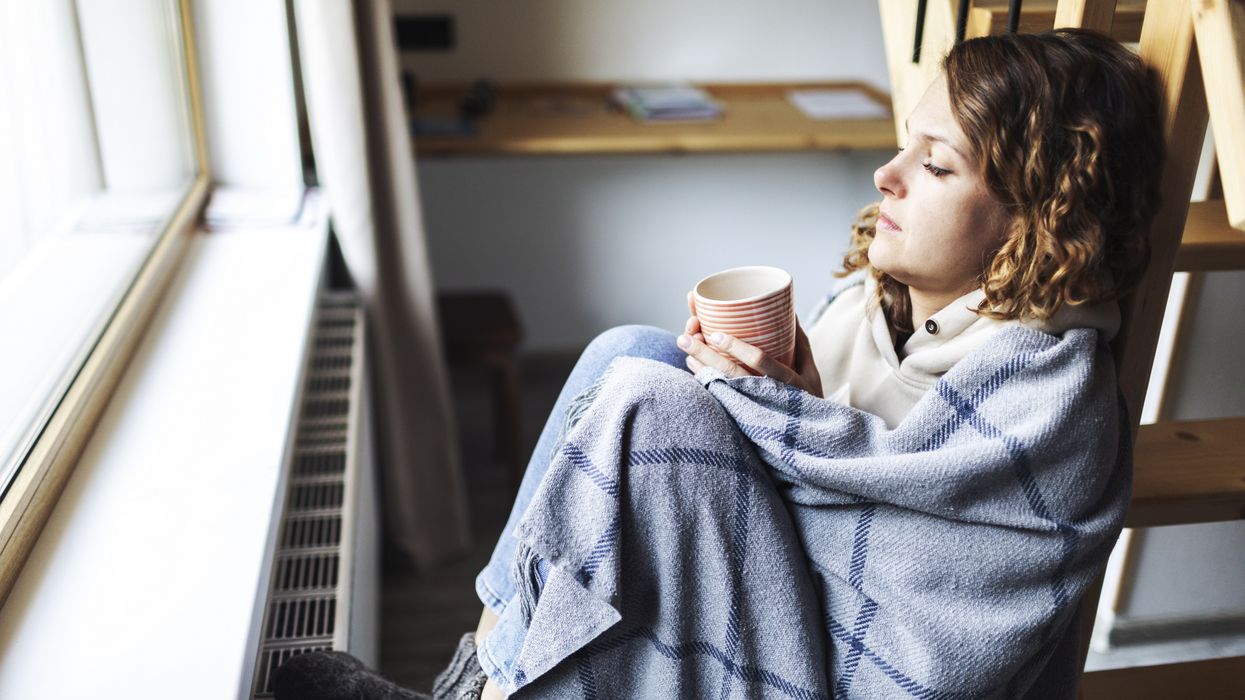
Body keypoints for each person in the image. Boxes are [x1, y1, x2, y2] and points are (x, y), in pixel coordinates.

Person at [275, 27, 1163, 700]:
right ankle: (478, 677)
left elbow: (908, 592)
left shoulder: (1046, 392)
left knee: (647, 400)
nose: (885, 176)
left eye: (934, 166)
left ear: (1036, 214)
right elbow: (845, 474)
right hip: (790, 599)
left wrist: (776, 417)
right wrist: (791, 404)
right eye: (903, 145)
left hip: (845, 668)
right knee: (633, 351)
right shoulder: (874, 306)